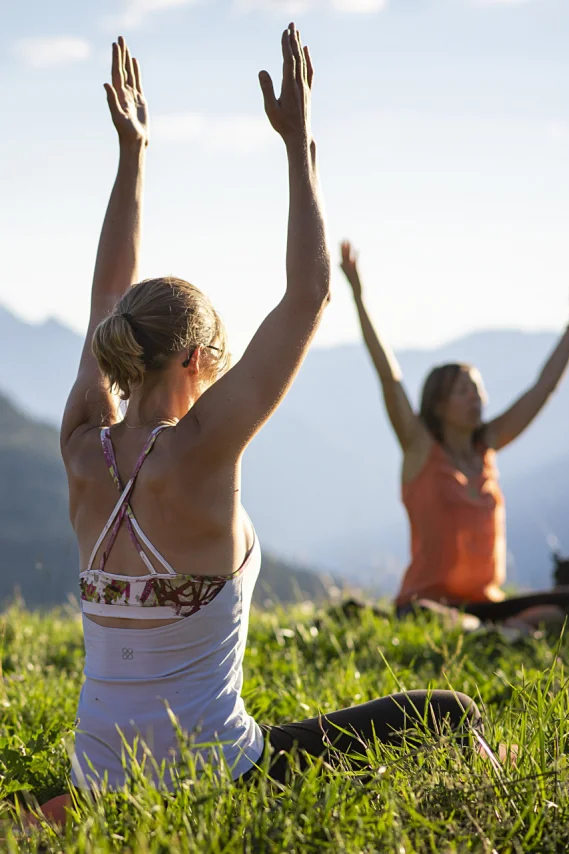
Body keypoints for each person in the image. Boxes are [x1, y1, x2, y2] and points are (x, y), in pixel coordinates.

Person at [31, 31, 483, 828]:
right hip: (211, 786)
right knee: (447, 713)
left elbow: (107, 293)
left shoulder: (80, 445)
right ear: (201, 359)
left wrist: (133, 158)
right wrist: (298, 145)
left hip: (99, 787)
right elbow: (309, 295)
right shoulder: (201, 450)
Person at [339, 241, 569, 631]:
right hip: (427, 605)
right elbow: (390, 378)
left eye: (478, 389)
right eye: (463, 391)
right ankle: (503, 632)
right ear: (438, 404)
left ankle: (501, 631)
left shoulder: (488, 446)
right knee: (429, 618)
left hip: (486, 604)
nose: (476, 398)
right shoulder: (420, 449)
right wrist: (359, 298)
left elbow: (543, 388)